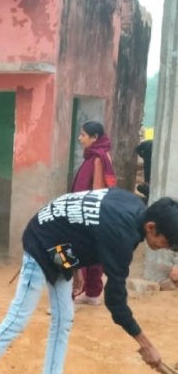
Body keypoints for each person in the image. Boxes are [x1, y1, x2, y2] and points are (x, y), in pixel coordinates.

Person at [0, 191, 178, 374]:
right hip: (41, 242)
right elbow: (116, 302)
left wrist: (74, 264)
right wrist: (146, 345)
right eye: (166, 242)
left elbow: (84, 223)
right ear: (151, 227)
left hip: (60, 248)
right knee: (17, 318)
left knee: (64, 319)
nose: (164, 248)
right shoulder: (121, 234)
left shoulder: (132, 205)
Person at [70, 122, 116, 306]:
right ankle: (92, 293)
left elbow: (97, 190)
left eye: (83, 135)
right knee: (94, 253)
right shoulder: (97, 156)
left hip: (90, 213)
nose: (80, 138)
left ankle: (78, 292)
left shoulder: (98, 158)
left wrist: (86, 214)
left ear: (95, 137)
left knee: (82, 252)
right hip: (92, 212)